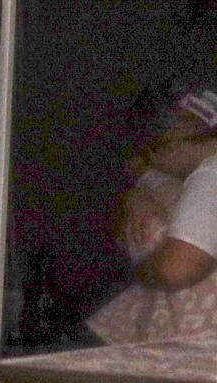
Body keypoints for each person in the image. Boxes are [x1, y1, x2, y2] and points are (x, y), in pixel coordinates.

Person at [90, 87, 217, 342]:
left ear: (164, 150)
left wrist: (141, 273)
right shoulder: (190, 180)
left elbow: (176, 269)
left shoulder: (210, 176)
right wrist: (135, 195)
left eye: (148, 156)